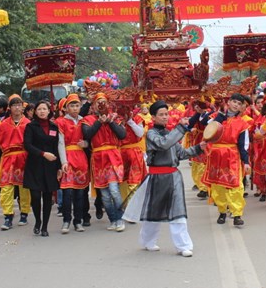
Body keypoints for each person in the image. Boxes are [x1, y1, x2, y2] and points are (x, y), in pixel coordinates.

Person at [123, 100, 206, 257]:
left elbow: (181, 154)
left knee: (178, 211)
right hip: (157, 177)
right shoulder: (152, 134)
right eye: (161, 115)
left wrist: (197, 148)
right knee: (153, 212)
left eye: (166, 114)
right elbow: (164, 144)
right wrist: (181, 128)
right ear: (153, 117)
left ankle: (183, 246)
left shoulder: (171, 133)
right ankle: (148, 241)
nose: (165, 117)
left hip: (173, 177)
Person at [202, 93, 251, 227]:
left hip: (232, 156)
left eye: (239, 104)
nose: (236, 105)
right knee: (218, 186)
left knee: (235, 185)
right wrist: (219, 117)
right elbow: (206, 126)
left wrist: (246, 162)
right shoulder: (216, 118)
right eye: (234, 101)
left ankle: (237, 214)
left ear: (241, 107)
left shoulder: (242, 124)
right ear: (228, 102)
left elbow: (243, 145)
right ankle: (222, 211)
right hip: (216, 155)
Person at [82, 93, 127, 232]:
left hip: (113, 156)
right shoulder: (88, 120)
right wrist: (99, 122)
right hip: (98, 158)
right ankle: (113, 219)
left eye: (103, 102)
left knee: (114, 190)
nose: (101, 105)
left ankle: (120, 218)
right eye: (98, 102)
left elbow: (122, 135)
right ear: (94, 105)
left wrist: (110, 122)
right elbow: (87, 135)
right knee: (105, 195)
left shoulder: (114, 117)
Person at [23, 100, 63, 236]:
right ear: (35, 111)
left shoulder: (53, 127)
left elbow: (56, 147)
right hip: (34, 165)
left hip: (50, 166)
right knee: (35, 195)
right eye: (39, 109)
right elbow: (27, 145)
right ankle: (37, 221)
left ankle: (45, 226)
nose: (41, 111)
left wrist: (59, 167)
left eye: (44, 109)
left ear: (49, 111)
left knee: (47, 197)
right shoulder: (31, 126)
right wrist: (43, 154)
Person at [0, 96, 31, 230]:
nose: (17, 108)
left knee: (24, 188)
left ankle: (24, 213)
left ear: (22, 107)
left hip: (24, 157)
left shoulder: (28, 124)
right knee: (6, 189)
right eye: (14, 105)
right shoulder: (2, 125)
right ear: (10, 108)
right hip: (7, 158)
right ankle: (8, 216)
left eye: (19, 105)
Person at [55, 94, 89, 234]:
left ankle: (78, 221)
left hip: (81, 158)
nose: (75, 108)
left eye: (77, 105)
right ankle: (66, 220)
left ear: (80, 107)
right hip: (68, 158)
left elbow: (90, 140)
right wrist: (63, 162)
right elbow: (60, 142)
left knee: (80, 192)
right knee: (67, 191)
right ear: (66, 108)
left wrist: (85, 144)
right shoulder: (61, 122)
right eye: (72, 106)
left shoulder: (84, 121)